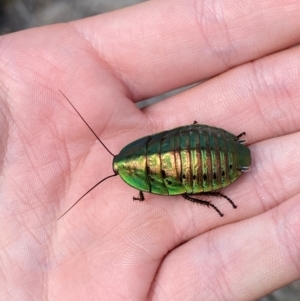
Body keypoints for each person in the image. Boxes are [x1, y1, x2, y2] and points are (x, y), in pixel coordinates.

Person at [0, 1, 300, 300]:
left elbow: (181, 177)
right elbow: (181, 136)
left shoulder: (148, 183)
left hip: (211, 155)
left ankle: (219, 187)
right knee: (186, 166)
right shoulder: (145, 155)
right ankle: (221, 180)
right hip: (209, 144)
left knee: (185, 189)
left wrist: (214, 195)